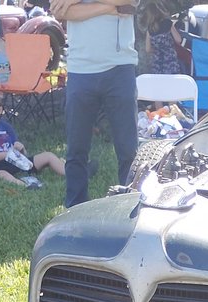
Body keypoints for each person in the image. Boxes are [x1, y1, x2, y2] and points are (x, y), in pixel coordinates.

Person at [49, 0, 139, 207]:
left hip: (120, 68)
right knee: (76, 149)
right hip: (80, 69)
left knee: (128, 150)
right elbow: (62, 11)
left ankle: (132, 206)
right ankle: (74, 207)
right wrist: (109, 7)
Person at [0, 89, 65, 186]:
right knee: (2, 174)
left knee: (48, 156)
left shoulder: (6, 127)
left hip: (16, 162)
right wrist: (7, 154)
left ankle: (68, 172)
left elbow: (21, 154)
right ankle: (22, 184)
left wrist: (21, 149)